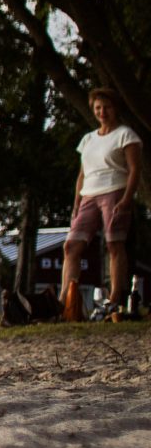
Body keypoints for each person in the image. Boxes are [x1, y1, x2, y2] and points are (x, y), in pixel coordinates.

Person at [70, 87, 142, 320]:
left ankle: (115, 297)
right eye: (98, 108)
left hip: (114, 190)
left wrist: (127, 197)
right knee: (71, 245)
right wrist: (76, 201)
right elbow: (82, 173)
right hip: (89, 194)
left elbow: (134, 169)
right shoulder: (88, 139)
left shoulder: (125, 135)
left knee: (114, 244)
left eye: (107, 107)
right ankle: (66, 300)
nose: (102, 112)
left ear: (115, 108)